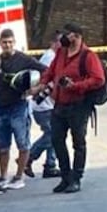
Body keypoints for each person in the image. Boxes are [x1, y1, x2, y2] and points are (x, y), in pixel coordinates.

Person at [31, 22, 105, 194]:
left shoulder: (88, 56)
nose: (63, 38)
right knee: (57, 140)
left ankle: (76, 178)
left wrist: (76, 86)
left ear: (77, 36)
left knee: (78, 142)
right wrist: (42, 84)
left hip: (79, 104)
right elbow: (50, 71)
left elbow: (98, 79)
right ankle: (65, 177)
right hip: (60, 104)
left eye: (67, 34)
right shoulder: (61, 53)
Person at [0, 28, 48, 190]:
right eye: (4, 42)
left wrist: (37, 88)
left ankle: (19, 176)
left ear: (14, 43)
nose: (7, 45)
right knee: (3, 146)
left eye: (10, 42)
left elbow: (46, 71)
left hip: (19, 107)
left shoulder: (24, 59)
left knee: (23, 143)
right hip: (0, 108)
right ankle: (3, 176)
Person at [27, 34, 61, 179]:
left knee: (55, 132)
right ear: (53, 43)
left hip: (50, 104)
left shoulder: (55, 57)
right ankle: (30, 157)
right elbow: (48, 81)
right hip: (43, 105)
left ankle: (50, 165)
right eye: (61, 42)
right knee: (53, 135)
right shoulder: (49, 58)